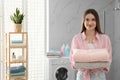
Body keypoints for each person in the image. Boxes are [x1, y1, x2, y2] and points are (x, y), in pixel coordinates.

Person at [69, 9, 112, 80]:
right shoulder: (76, 39)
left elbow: (108, 58)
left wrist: (86, 64)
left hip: (99, 76)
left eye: (93, 19)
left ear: (97, 21)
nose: (90, 22)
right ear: (83, 21)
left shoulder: (105, 39)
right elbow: (72, 59)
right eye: (87, 19)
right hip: (82, 76)